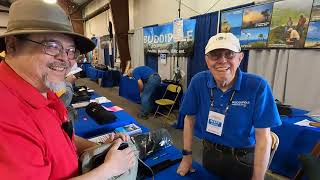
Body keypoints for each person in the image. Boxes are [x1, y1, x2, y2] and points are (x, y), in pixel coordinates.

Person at [0, 1, 135, 179]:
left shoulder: (42, 87)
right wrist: (108, 169)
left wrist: (99, 148)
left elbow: (62, 139)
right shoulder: (7, 116)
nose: (65, 59)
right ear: (12, 45)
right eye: (52, 46)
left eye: (71, 50)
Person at [176, 33, 281, 180]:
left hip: (244, 160)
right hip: (209, 154)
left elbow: (263, 137)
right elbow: (189, 119)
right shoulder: (198, 81)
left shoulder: (257, 86)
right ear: (207, 60)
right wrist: (186, 157)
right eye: (215, 55)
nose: (222, 61)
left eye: (229, 54)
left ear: (240, 58)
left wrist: (258, 178)